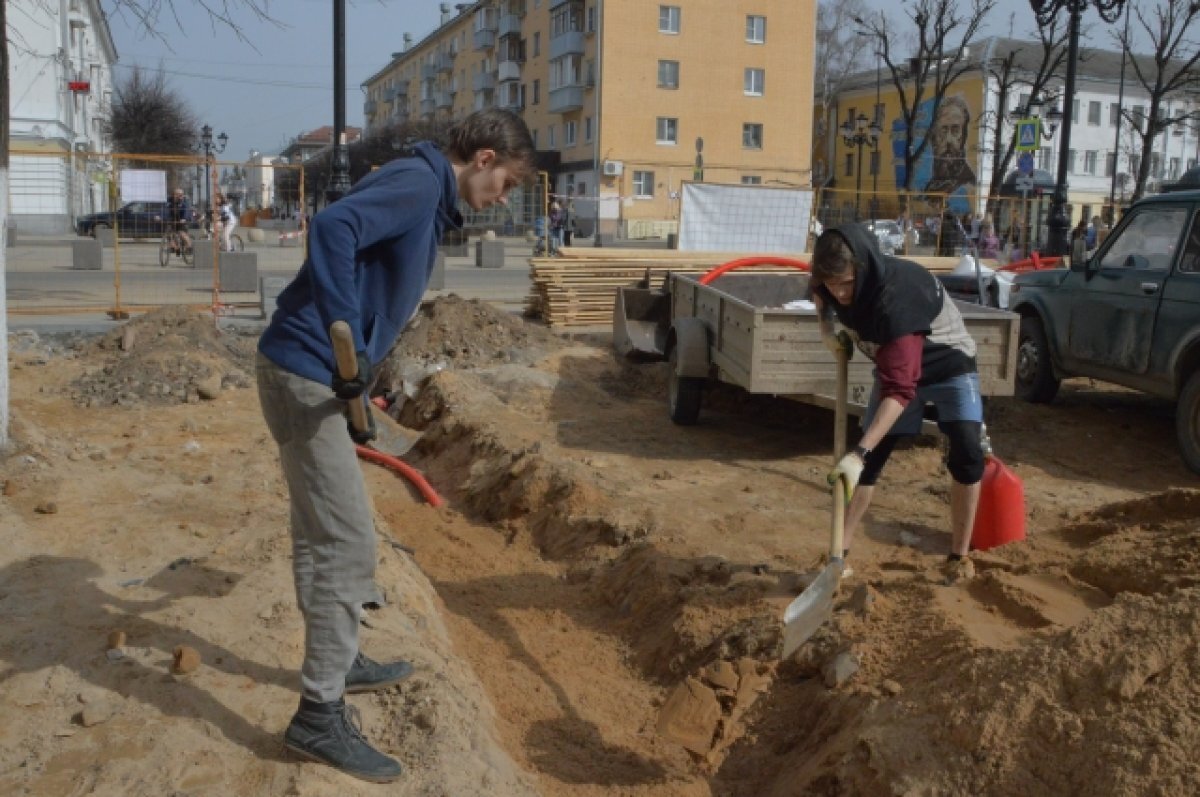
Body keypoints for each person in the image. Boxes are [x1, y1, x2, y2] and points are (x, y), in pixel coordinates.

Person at [255, 108, 535, 783]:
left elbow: (370, 266)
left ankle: (338, 658)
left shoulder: (425, 194)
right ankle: (318, 716)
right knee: (345, 542)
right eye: (507, 184)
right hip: (305, 371)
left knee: (317, 531)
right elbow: (333, 227)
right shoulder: (417, 182)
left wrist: (364, 369)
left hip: (310, 373)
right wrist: (343, 328)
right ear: (484, 157)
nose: (503, 199)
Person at [809, 224, 985, 585]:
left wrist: (858, 452)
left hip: (949, 365)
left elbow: (900, 392)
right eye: (833, 284)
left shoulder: (896, 302)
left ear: (863, 269)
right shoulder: (828, 282)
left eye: (847, 284)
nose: (840, 293)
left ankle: (959, 556)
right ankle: (837, 556)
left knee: (966, 453)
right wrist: (827, 332)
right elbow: (820, 298)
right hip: (895, 369)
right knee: (867, 465)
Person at [923, 96, 978, 214]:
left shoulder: (968, 184)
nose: (948, 140)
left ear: (964, 136)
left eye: (955, 130)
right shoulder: (931, 186)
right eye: (943, 130)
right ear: (933, 138)